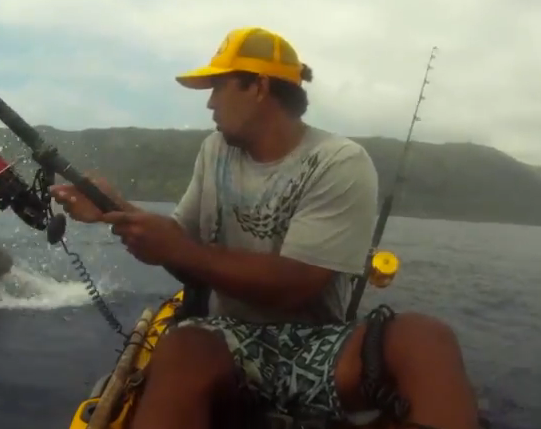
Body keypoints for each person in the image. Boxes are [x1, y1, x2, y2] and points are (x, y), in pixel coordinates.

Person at [51, 27, 480, 429]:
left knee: (426, 339)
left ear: (257, 86)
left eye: (219, 87)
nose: (210, 103)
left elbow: (299, 283)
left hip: (318, 343)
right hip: (226, 341)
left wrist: (178, 249)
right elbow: (180, 244)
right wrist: (113, 209)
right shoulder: (214, 150)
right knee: (183, 346)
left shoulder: (339, 161)